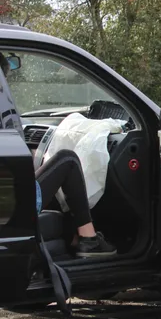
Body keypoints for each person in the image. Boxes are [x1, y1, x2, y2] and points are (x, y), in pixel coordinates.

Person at [0, 53, 117, 257]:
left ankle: (74, 235)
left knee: (51, 180)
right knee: (68, 160)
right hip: (11, 205)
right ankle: (88, 238)